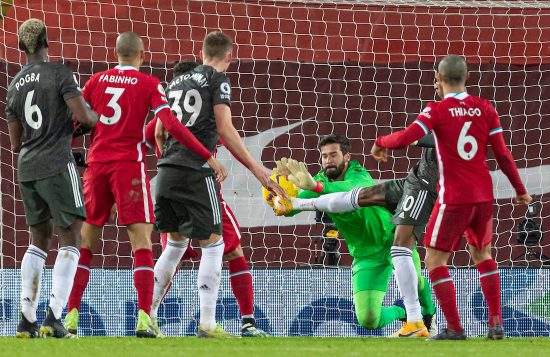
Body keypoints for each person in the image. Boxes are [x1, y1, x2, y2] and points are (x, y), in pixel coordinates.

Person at [64, 31, 226, 338]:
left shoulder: (95, 81)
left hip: (97, 166)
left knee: (85, 244)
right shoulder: (150, 84)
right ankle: (143, 319)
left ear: (116, 53)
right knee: (140, 244)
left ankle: (70, 316)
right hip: (128, 167)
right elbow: (171, 123)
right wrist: (208, 155)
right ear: (142, 54)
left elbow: (75, 122)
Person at [371, 55, 532, 340]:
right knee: (483, 255)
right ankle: (496, 323)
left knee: (434, 259)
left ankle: (456, 328)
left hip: (454, 198)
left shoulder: (437, 110)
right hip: (483, 196)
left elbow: (409, 136)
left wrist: (381, 142)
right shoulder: (485, 108)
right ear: (467, 77)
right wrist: (520, 189)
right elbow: (503, 154)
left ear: (439, 78)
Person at [151, 31, 284, 338]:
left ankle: (148, 317)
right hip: (198, 171)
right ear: (229, 57)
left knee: (173, 247)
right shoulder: (217, 80)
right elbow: (224, 127)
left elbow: (158, 131)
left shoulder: (175, 83)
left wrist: (169, 157)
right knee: (215, 245)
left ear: (201, 51)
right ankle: (209, 324)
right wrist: (259, 171)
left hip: (167, 170)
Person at [275, 135, 438, 337]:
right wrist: (278, 195)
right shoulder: (317, 180)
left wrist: (316, 188)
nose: (328, 160)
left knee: (416, 282)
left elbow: (352, 191)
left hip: (391, 238)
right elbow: (291, 208)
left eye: (333, 155)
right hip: (364, 254)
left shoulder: (357, 172)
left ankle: (428, 318)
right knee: (369, 320)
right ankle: (403, 311)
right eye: (324, 156)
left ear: (347, 157)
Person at [5, 19, 99, 338]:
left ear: (21, 47)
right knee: (71, 236)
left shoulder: (14, 84)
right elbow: (85, 117)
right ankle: (54, 317)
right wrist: (95, 119)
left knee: (38, 239)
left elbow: (16, 143)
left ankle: (25, 320)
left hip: (27, 168)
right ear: (47, 40)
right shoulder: (59, 73)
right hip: (56, 164)